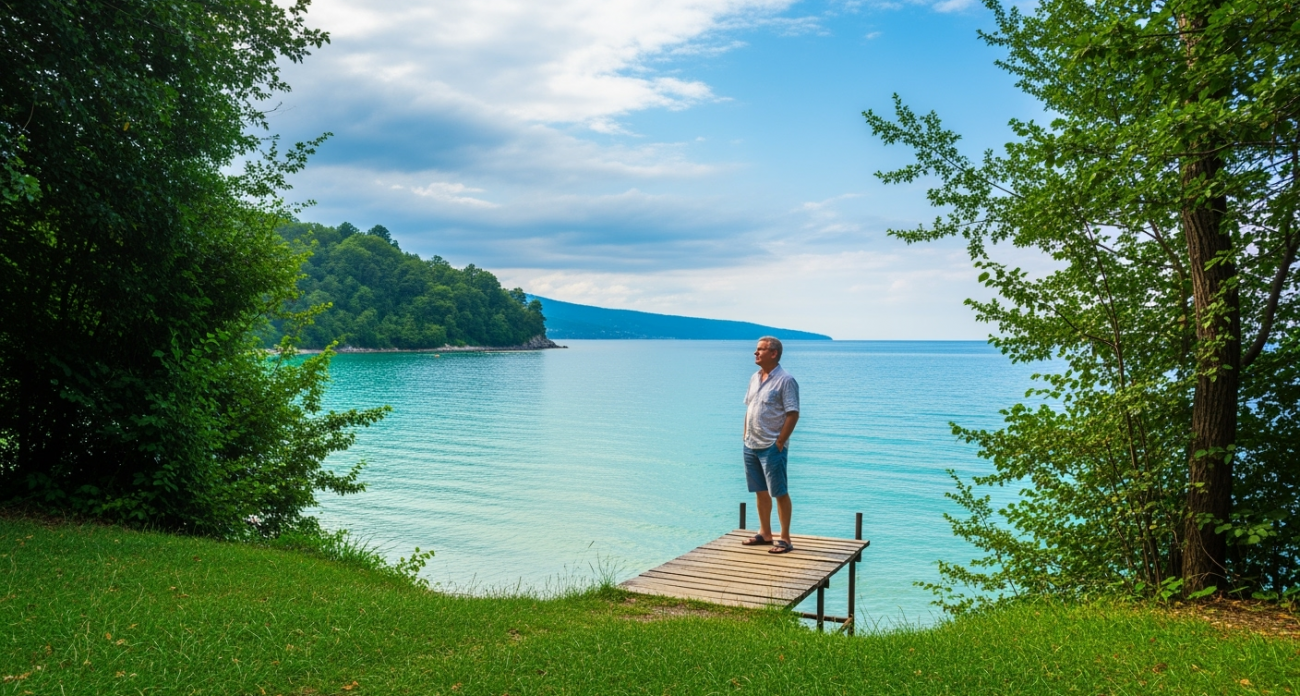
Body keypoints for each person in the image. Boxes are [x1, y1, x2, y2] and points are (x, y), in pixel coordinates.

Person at [741, 336, 800, 554]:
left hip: (771, 445)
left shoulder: (786, 380)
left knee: (779, 491)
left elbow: (793, 414)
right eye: (756, 349)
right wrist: (744, 434)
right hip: (751, 443)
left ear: (773, 353)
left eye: (760, 350)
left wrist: (780, 442)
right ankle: (765, 533)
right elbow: (749, 407)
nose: (755, 353)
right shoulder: (754, 378)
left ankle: (784, 538)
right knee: (760, 490)